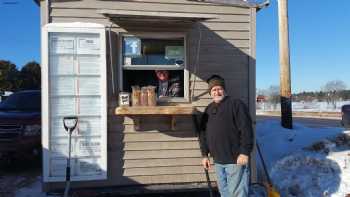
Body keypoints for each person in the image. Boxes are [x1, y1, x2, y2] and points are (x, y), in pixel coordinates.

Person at [199, 74, 254, 197]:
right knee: (224, 193)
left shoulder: (236, 104)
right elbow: (203, 134)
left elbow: (246, 129)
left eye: (219, 89)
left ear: (224, 89)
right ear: (210, 93)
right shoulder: (208, 109)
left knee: (237, 193)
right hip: (218, 161)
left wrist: (245, 152)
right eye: (213, 90)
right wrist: (204, 155)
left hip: (235, 160)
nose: (217, 92)